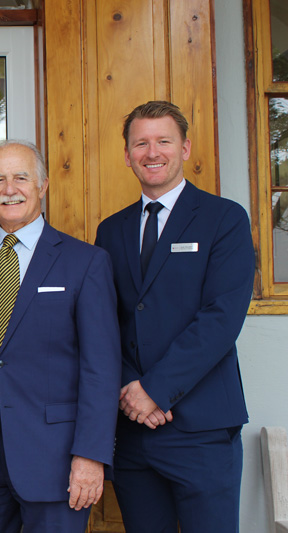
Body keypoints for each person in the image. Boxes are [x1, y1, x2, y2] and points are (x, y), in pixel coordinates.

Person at [0, 140, 121, 532]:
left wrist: (91, 455)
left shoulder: (85, 262)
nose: (9, 189)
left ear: (42, 185)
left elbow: (100, 370)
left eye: (21, 177)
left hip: (56, 459)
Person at [94, 101, 255, 532]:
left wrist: (156, 391)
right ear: (127, 154)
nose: (152, 152)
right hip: (133, 429)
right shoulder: (111, 230)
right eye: (140, 143)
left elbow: (221, 318)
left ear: (184, 148)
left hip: (202, 429)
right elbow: (104, 323)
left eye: (163, 141)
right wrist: (132, 390)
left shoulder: (225, 219)